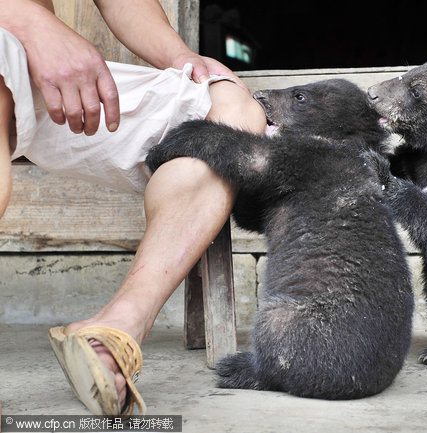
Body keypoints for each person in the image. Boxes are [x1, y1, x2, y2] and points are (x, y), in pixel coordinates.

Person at [0, 0, 266, 415]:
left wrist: (181, 57)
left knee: (230, 112)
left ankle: (117, 327)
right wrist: (29, 21)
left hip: (44, 61)